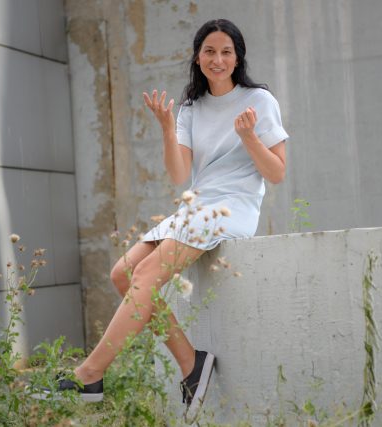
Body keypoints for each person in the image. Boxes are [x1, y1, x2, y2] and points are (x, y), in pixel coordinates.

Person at [33, 18, 288, 421]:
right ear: (197, 57)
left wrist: (249, 138)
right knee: (123, 273)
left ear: (238, 58)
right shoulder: (190, 107)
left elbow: (276, 173)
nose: (217, 59)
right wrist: (169, 129)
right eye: (209, 51)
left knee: (147, 272)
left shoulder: (259, 100)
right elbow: (178, 174)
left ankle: (90, 375)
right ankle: (191, 363)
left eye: (226, 52)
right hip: (196, 205)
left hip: (232, 207)